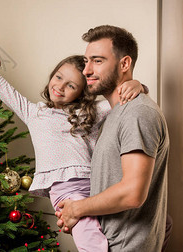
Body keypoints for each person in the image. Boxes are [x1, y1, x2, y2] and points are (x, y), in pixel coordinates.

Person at [0, 18, 146, 252]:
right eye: (58, 77)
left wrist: (139, 85)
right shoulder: (35, 113)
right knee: (92, 243)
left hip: (98, 187)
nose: (60, 87)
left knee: (153, 225)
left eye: (72, 86)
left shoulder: (90, 112)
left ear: (81, 93)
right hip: (66, 191)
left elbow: (122, 99)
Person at [55, 25, 170, 251]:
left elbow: (132, 193)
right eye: (86, 61)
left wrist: (77, 209)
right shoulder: (114, 115)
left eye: (97, 61)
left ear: (124, 64)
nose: (86, 70)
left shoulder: (137, 113)